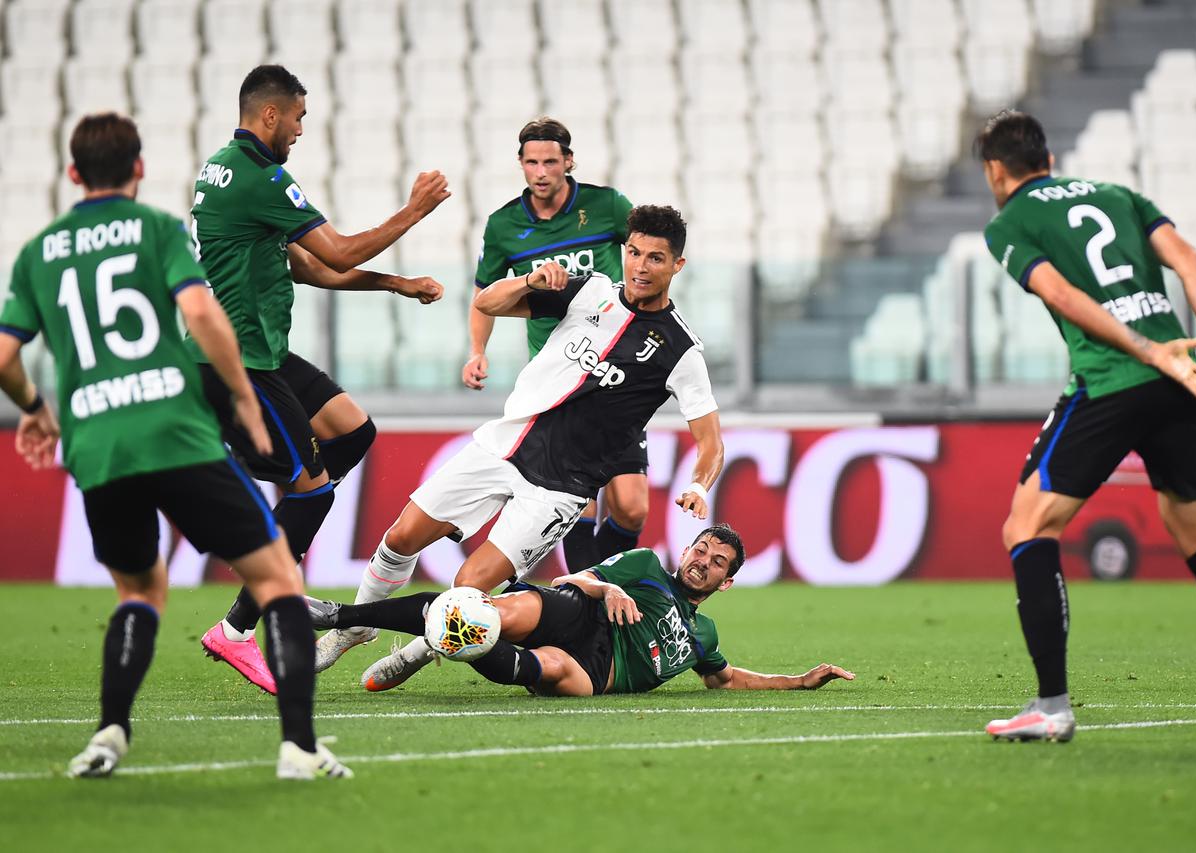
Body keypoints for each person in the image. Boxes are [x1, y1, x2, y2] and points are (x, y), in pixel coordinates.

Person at [0, 113, 349, 778]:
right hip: (175, 429)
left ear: (72, 173)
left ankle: (108, 733)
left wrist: (35, 409)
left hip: (98, 445)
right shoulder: (157, 230)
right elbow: (199, 312)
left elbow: (5, 354)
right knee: (276, 578)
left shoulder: (37, 251)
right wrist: (245, 398)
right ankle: (300, 747)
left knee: (138, 590)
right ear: (138, 169)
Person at [312, 204, 725, 671]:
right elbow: (487, 302)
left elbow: (711, 441)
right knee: (402, 536)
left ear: (677, 265)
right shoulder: (588, 291)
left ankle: (416, 652)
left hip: (559, 488)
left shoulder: (681, 350)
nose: (640, 267)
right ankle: (356, 627)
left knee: (469, 587)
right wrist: (528, 281)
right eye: (633, 252)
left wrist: (698, 485)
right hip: (505, 444)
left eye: (655, 258)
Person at [973, 110, 1196, 743]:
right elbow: (1189, 259)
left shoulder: (1009, 223)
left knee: (1027, 524)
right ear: (1048, 160)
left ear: (996, 172)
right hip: (1182, 381)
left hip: (1113, 381)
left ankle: (1051, 706)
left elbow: (1060, 294)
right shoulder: (1119, 195)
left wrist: (1141, 349)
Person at [191, 64, 452, 690]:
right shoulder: (261, 177)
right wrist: (414, 211)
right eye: (300, 117)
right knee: (312, 493)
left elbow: (310, 269)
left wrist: (396, 283)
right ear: (271, 114)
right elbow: (336, 251)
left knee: (353, 432)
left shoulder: (223, 170)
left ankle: (277, 530)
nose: (303, 129)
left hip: (265, 354)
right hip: (239, 363)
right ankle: (238, 627)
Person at [306, 524, 854, 695]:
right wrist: (608, 590)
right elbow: (575, 578)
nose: (703, 563)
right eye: (700, 551)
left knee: (543, 669)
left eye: (716, 564)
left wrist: (798, 681)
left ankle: (440, 640)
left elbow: (727, 680)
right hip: (581, 613)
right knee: (498, 611)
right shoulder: (642, 566)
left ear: (726, 582)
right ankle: (337, 617)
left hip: (598, 670)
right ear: (686, 550)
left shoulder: (703, 636)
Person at [465, 117, 647, 571]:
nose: (541, 171)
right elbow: (484, 294)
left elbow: (647, 252)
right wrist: (477, 351)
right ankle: (594, 597)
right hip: (556, 378)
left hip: (614, 368)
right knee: (577, 499)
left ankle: (598, 583)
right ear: (521, 165)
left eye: (551, 161)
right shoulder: (504, 225)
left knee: (632, 506)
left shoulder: (606, 207)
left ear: (568, 162)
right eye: (532, 162)